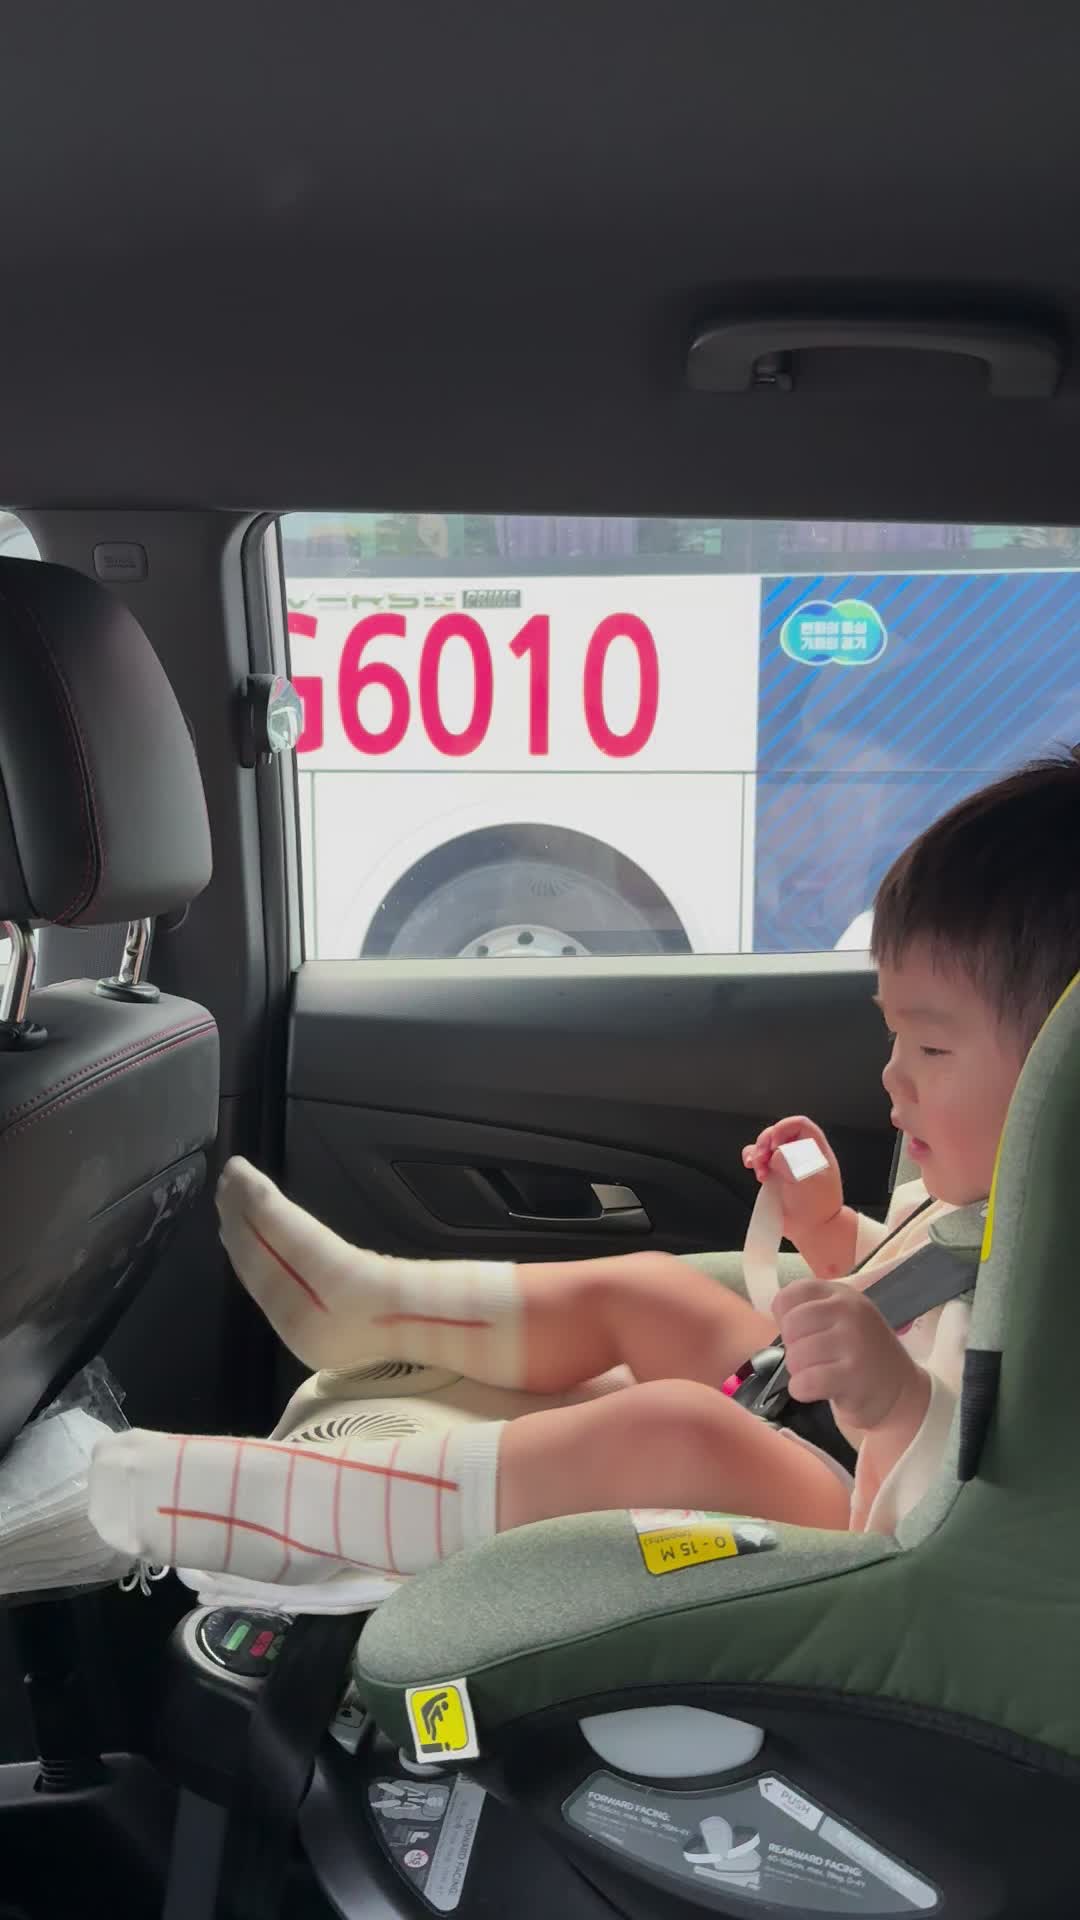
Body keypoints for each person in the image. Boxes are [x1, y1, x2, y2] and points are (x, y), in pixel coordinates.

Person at [88, 750, 1080, 1587]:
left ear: (1061, 1073)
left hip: (873, 1512)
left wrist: (895, 1403)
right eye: (892, 1035)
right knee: (648, 1289)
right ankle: (366, 1308)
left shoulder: (1056, 1293)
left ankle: (277, 1509)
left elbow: (991, 1520)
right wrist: (830, 1232)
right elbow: (912, 1289)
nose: (892, 1076)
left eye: (931, 1048)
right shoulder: (978, 1197)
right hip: (826, 1407)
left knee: (679, 1429)